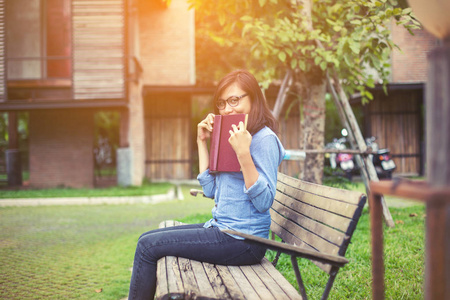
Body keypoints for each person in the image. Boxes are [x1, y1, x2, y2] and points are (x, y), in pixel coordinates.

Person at [128, 70, 285, 300]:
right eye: (222, 103)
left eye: (235, 100)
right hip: (222, 230)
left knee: (147, 248)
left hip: (244, 241)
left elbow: (263, 203)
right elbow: (211, 190)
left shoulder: (264, 139)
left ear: (253, 98)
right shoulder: (231, 137)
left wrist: (244, 155)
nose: (228, 109)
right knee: (146, 239)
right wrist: (202, 142)